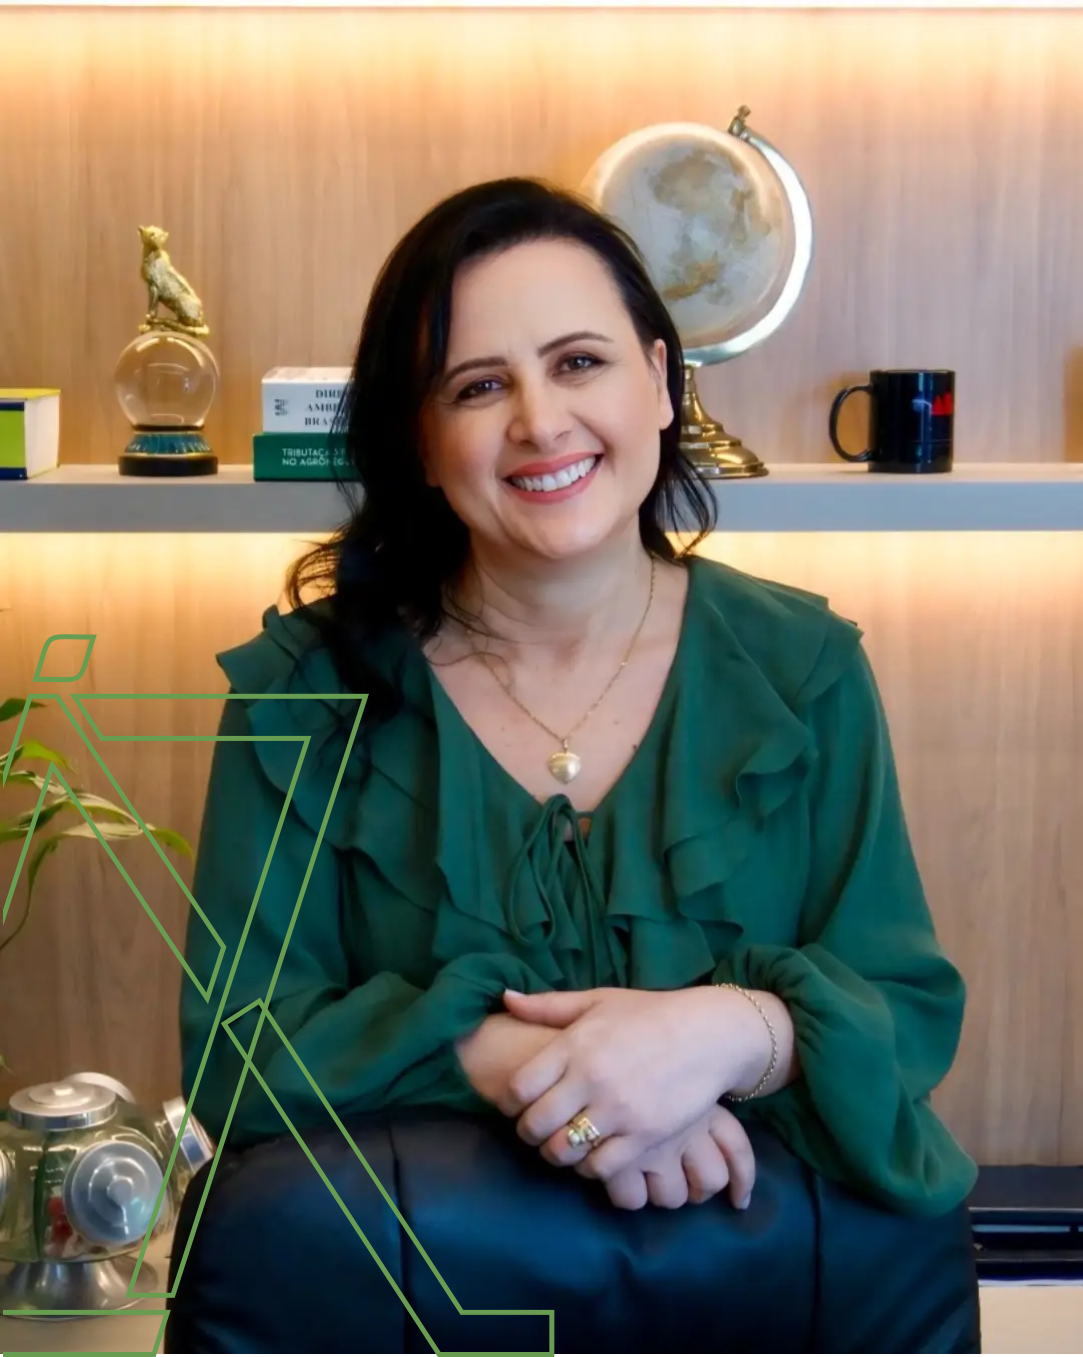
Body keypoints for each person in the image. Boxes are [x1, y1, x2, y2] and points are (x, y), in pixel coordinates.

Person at [179, 176, 978, 1227]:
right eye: (477, 386)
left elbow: (907, 1017)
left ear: (660, 382)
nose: (540, 422)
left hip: (759, 1281)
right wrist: (524, 1062)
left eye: (579, 363)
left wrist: (724, 1036)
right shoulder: (302, 694)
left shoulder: (802, 670)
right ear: (420, 443)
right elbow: (231, 1053)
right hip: (415, 1288)